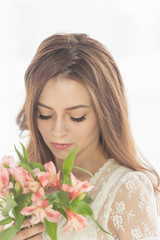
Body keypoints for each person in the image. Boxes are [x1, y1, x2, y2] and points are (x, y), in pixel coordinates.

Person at [14, 33, 160, 239]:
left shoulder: (125, 190)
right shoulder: (25, 183)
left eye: (77, 117)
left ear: (105, 113)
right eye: (45, 115)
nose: (57, 131)